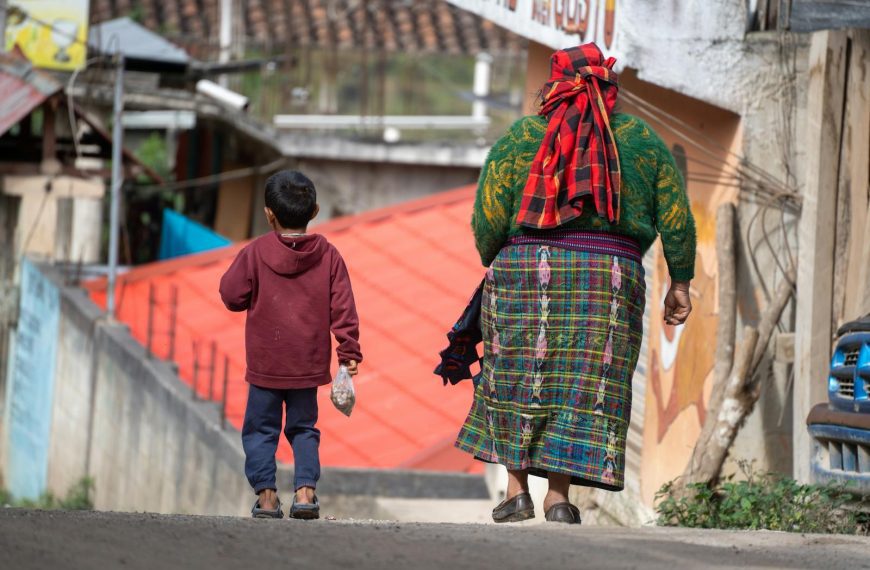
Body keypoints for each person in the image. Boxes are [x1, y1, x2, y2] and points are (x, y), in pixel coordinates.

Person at [455, 44, 695, 524]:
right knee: (583, 384)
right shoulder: (642, 142)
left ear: (552, 86)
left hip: (526, 271)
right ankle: (558, 499)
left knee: (516, 376)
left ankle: (516, 489)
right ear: (610, 89)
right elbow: (677, 218)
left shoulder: (523, 137)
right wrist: (680, 283)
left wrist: (497, 259)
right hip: (609, 279)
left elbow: (487, 216)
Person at [219, 170, 362, 519]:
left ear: (269, 214)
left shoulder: (255, 253)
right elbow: (343, 306)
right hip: (308, 365)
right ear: (314, 211)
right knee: (303, 429)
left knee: (260, 430)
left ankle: (267, 497)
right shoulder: (329, 256)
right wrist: (348, 351)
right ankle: (305, 494)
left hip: (266, 365)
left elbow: (231, 295)